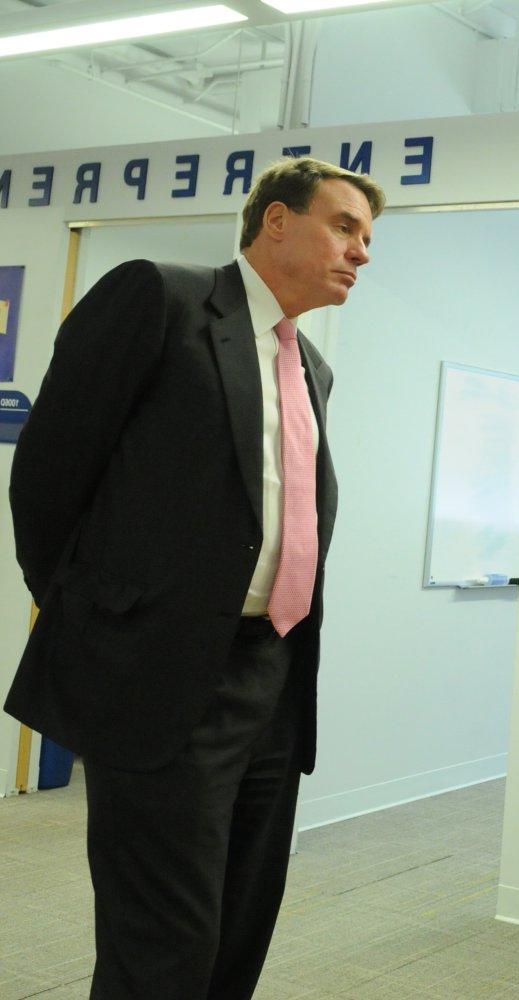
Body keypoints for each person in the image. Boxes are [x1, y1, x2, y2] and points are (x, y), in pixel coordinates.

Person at [5, 156, 383, 999]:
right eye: (345, 226)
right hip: (163, 677)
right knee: (162, 944)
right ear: (276, 221)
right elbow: (49, 472)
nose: (362, 252)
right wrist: (90, 622)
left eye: (367, 236)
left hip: (275, 679)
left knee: (236, 930)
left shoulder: (312, 367)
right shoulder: (160, 299)